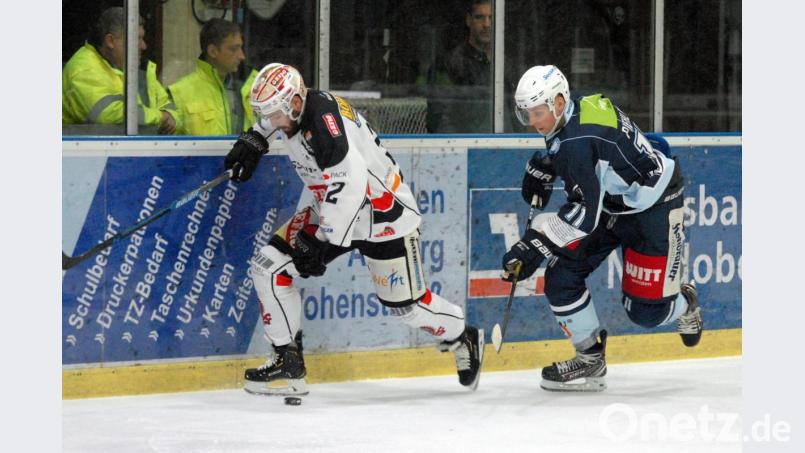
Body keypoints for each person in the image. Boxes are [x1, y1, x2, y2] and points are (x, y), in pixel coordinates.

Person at [224, 63, 484, 396]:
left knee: (407, 308)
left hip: (383, 216)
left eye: (275, 116)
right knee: (268, 266)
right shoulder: (298, 108)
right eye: (267, 115)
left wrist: (318, 241)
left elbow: (350, 184)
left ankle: (462, 334)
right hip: (334, 207)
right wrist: (256, 136)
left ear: (294, 103)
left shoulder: (322, 124)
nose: (274, 122)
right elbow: (335, 190)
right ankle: (286, 360)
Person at [502, 65, 703, 392]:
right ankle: (590, 357)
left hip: (653, 207)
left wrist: (534, 245)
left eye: (538, 113)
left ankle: (685, 303)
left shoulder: (576, 142)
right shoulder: (575, 110)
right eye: (527, 115)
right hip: (615, 201)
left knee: (645, 313)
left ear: (558, 102)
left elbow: (583, 214)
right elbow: (597, 150)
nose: (534, 123)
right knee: (561, 276)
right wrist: (548, 165)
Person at [62, 7, 176, 133]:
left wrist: (170, 116)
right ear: (110, 41)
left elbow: (170, 109)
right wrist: (161, 117)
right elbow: (107, 113)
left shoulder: (138, 69)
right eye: (137, 39)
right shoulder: (83, 69)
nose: (144, 46)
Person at [168, 19, 257, 136]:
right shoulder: (180, 93)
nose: (242, 56)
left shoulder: (249, 87)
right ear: (213, 51)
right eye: (233, 49)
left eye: (241, 48)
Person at [428, 0, 493, 132]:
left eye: (491, 18)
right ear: (468, 20)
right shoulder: (448, 64)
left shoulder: (507, 64)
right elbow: (440, 122)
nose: (486, 24)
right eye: (479, 17)